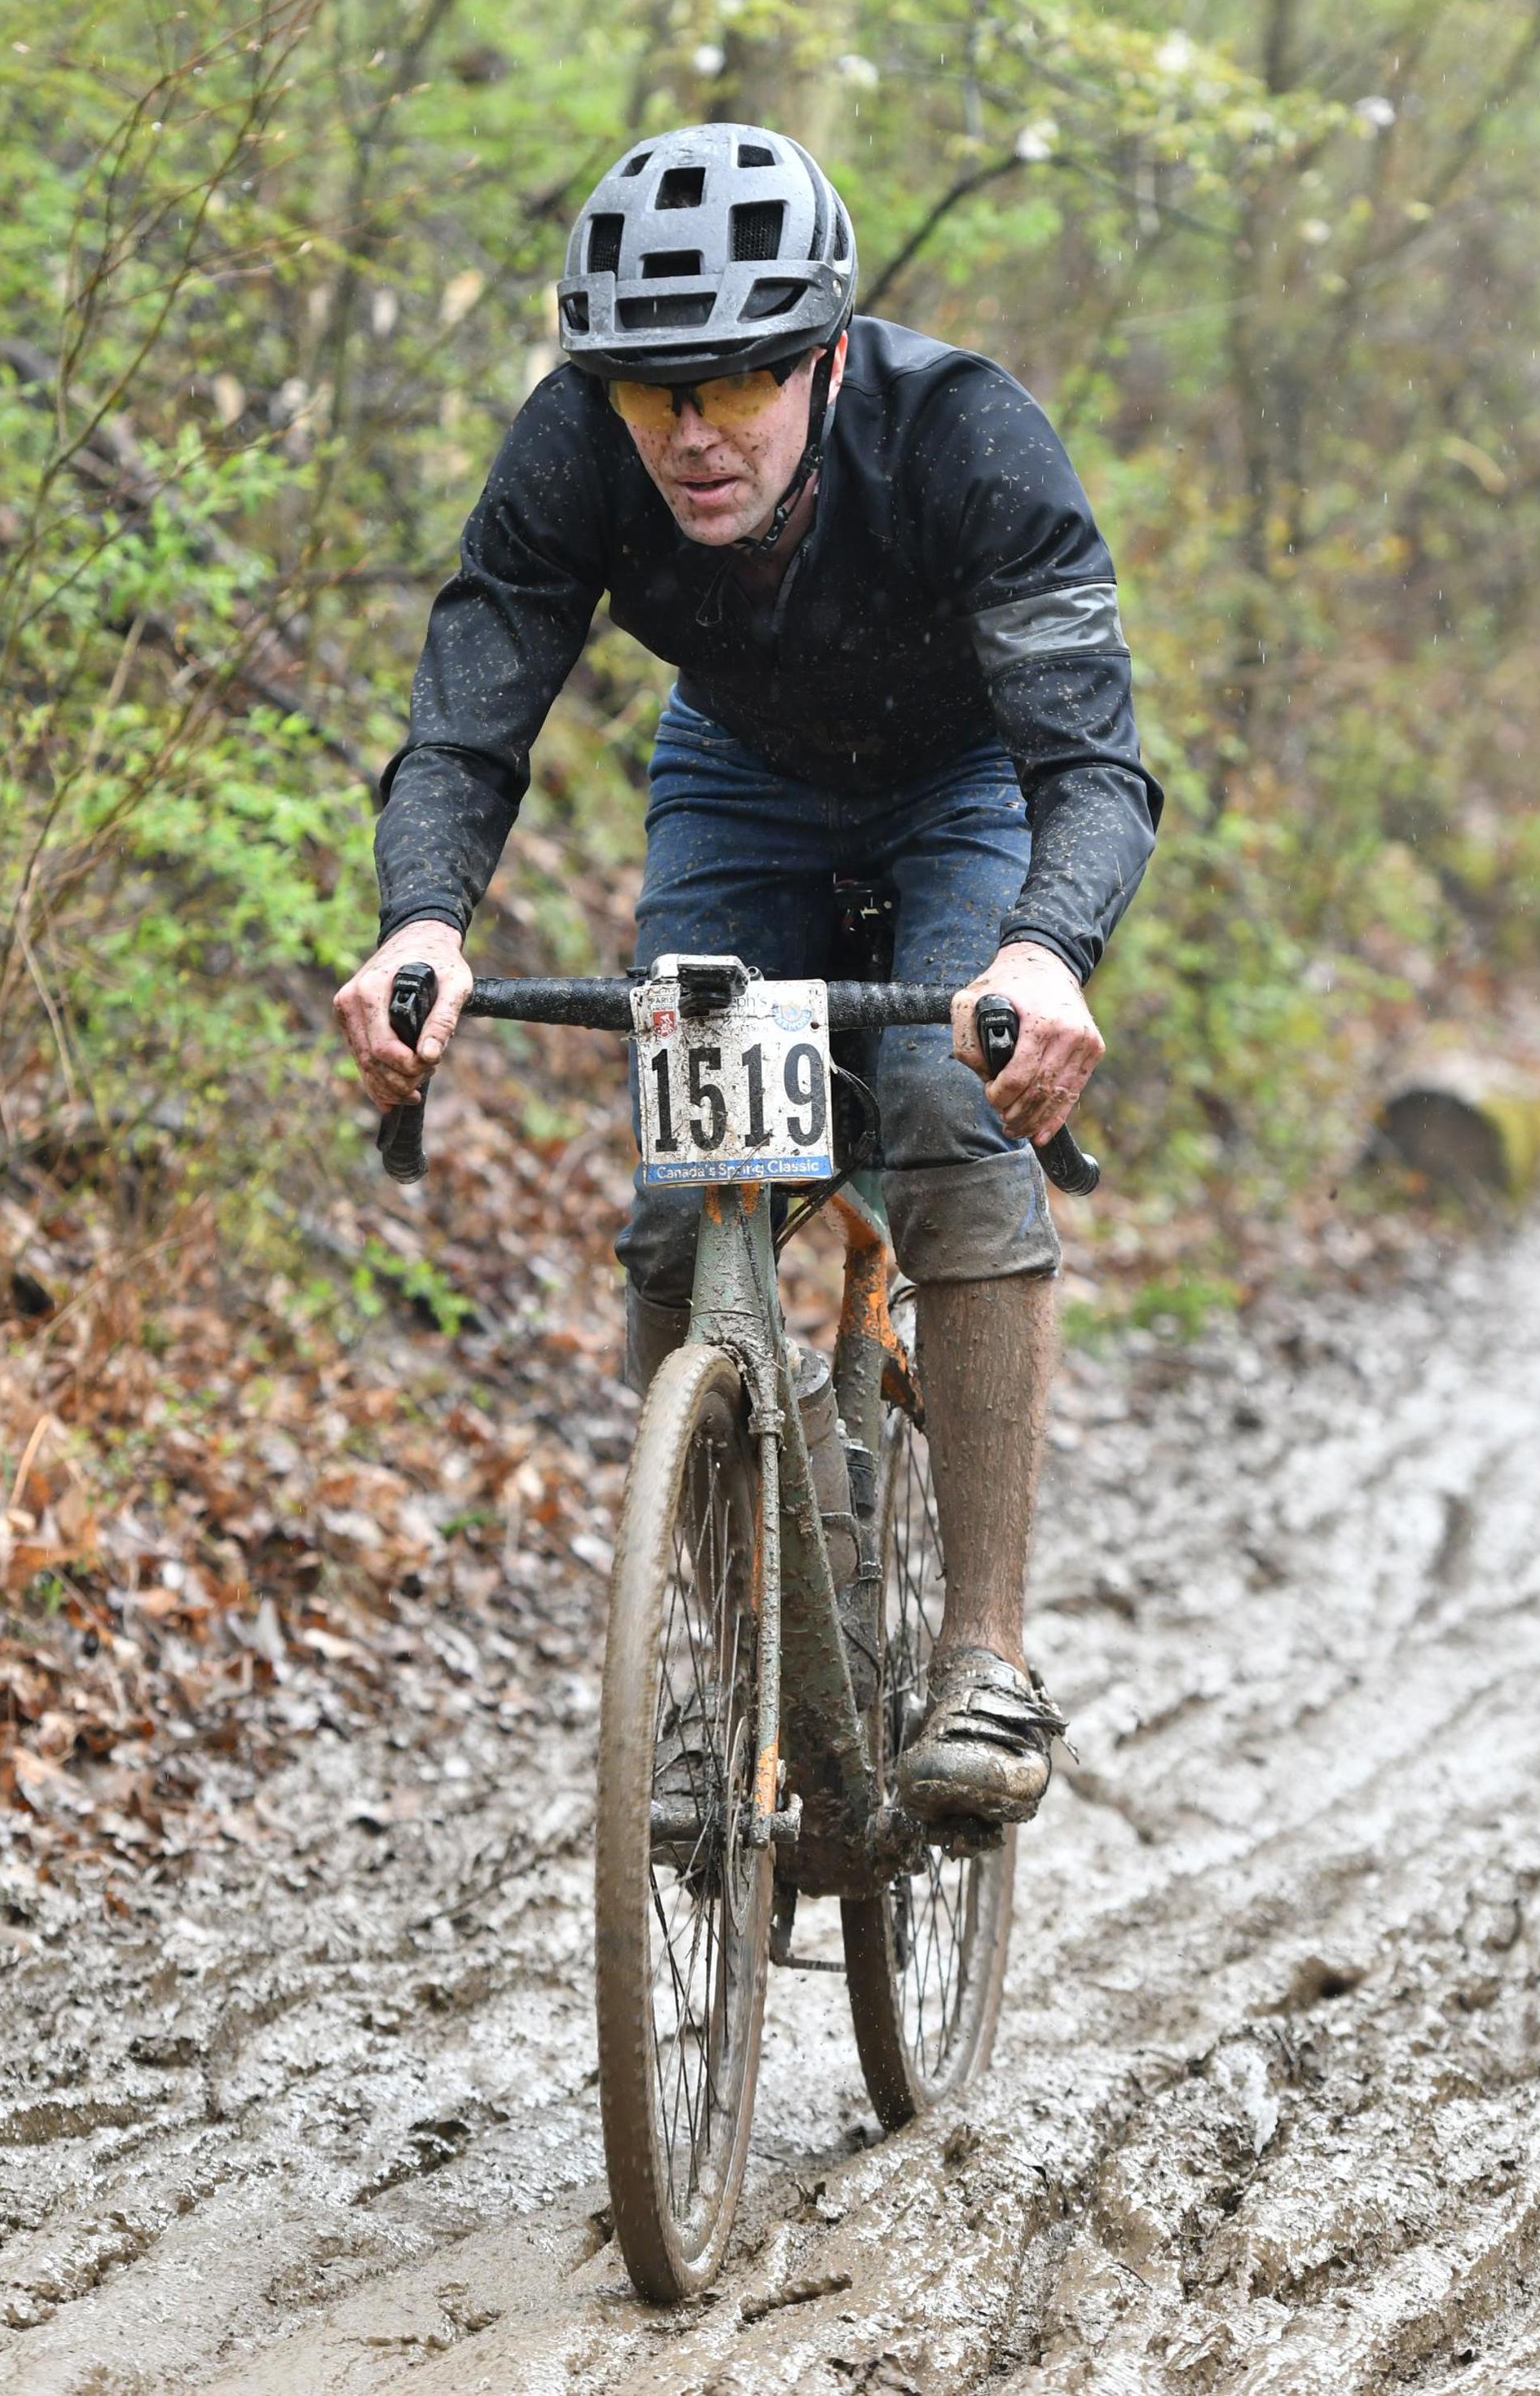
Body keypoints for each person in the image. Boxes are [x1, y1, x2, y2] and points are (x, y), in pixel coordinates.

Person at [335, 121, 1161, 1828]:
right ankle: (718, 1677)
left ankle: (985, 1653)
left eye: (733, 386)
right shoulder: (575, 447)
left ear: (825, 355)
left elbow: (1087, 765)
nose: (690, 437)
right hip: (739, 776)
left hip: (963, 780)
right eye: (653, 396)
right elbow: (469, 707)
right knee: (678, 1199)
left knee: (946, 1096)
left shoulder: (965, 442)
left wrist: (1042, 952)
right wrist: (423, 915)